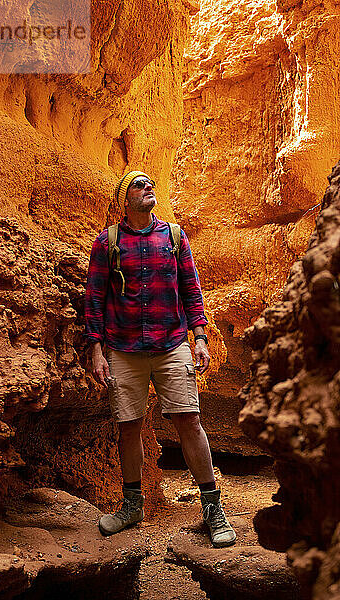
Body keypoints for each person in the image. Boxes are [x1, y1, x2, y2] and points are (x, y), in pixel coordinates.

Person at [84, 170, 236, 547]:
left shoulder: (174, 236)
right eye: (139, 185)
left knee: (190, 420)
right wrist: (96, 349)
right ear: (125, 199)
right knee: (129, 425)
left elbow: (191, 289)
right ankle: (132, 504)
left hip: (171, 344)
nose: (148, 188)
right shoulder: (107, 243)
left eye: (150, 184)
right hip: (124, 348)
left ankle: (212, 508)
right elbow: (95, 299)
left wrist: (199, 337)